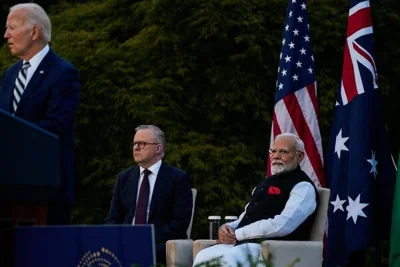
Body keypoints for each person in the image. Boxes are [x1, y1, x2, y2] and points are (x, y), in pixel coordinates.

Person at [0, 3, 80, 224]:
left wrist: (11, 138)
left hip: (46, 192)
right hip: (8, 190)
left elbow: (56, 127)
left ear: (34, 32)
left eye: (11, 27)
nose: (6, 35)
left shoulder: (63, 73)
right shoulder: (10, 74)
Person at [193, 133, 319, 266]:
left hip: (273, 248)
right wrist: (228, 228)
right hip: (243, 244)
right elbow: (246, 217)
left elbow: (283, 225)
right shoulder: (265, 183)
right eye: (273, 151)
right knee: (205, 255)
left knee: (230, 259)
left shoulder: (303, 187)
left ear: (300, 156)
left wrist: (238, 234)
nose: (276, 156)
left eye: (283, 152)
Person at [105, 125, 193, 264]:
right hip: (125, 242)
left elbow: (179, 224)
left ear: (158, 148)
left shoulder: (177, 178)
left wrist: (144, 238)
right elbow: (113, 218)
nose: (136, 148)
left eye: (142, 143)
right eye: (134, 143)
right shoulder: (124, 178)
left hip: (157, 243)